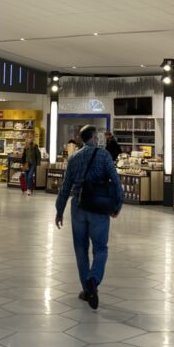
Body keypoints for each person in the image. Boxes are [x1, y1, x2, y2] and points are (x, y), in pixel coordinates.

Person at [55, 125, 124, 310]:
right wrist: (118, 204)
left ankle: (87, 290)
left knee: (80, 248)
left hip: (78, 206)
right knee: (100, 248)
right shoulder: (104, 155)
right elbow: (116, 181)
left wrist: (59, 210)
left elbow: (65, 185)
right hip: (98, 207)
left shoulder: (74, 157)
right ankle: (94, 279)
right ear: (94, 138)